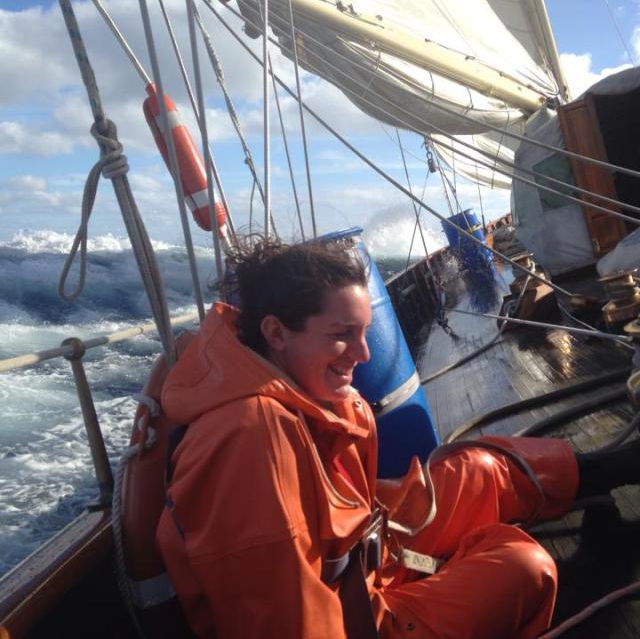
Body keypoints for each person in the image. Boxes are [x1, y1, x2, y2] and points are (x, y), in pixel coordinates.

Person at [156, 238, 640, 638]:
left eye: (365, 332)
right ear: (276, 333)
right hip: (352, 618)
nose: (364, 354)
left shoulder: (291, 388)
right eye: (342, 334)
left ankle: (608, 469)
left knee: (478, 471)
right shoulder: (249, 440)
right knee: (524, 566)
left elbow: (332, 512)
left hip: (366, 558)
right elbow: (285, 620)